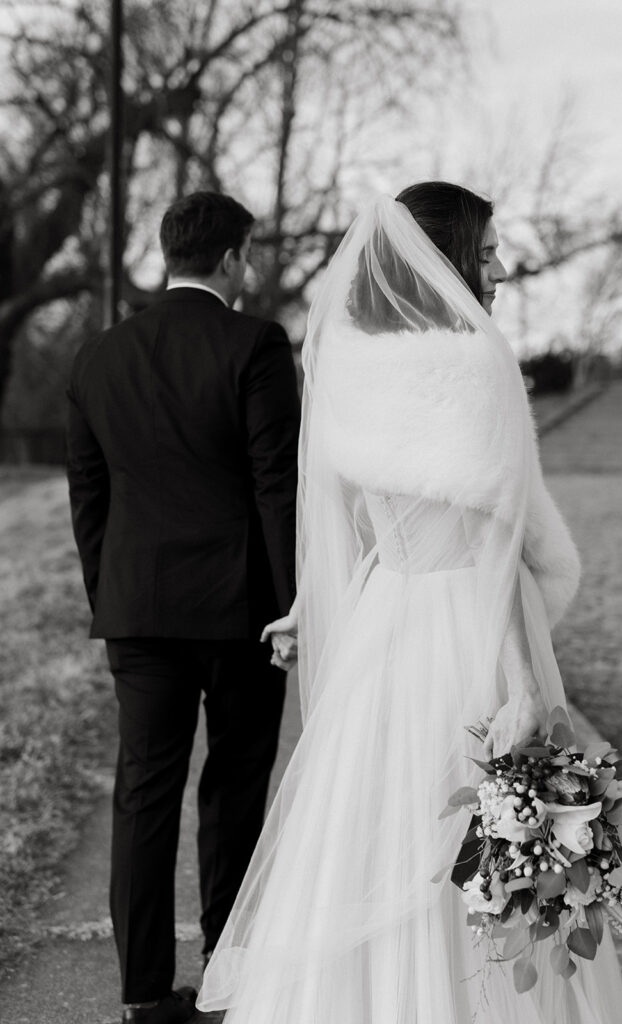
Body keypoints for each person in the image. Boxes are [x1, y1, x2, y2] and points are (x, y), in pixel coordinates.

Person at [197, 182, 622, 1023]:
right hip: (461, 633)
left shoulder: (350, 362)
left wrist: (314, 607)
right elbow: (491, 550)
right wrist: (524, 688)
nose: (501, 268)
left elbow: (363, 528)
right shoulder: (472, 362)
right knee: (488, 832)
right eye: (487, 251)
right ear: (447, 260)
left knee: (371, 832)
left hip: (384, 629)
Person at [66, 191, 301, 1024]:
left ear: (170, 254)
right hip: (241, 611)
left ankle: (143, 996)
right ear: (233, 257)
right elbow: (278, 484)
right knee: (235, 789)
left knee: (143, 795)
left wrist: (113, 599)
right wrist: (293, 602)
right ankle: (229, 976)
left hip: (137, 609)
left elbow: (88, 498)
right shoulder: (257, 345)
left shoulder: (98, 356)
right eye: (252, 255)